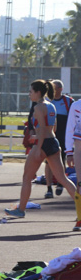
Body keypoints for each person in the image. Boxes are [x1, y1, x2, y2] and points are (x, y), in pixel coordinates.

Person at [5, 80, 80, 223]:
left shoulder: (38, 107)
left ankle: (20, 210)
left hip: (42, 144)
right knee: (63, 179)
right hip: (53, 142)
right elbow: (53, 129)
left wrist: (38, 148)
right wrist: (40, 136)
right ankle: (80, 210)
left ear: (38, 92)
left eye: (30, 92)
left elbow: (41, 132)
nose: (29, 94)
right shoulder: (52, 106)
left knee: (27, 177)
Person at [44, 80, 73, 198]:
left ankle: (60, 183)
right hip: (50, 135)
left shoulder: (68, 101)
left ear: (60, 89)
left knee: (61, 160)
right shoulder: (46, 101)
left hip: (63, 135)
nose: (52, 90)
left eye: (54, 88)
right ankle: (49, 188)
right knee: (48, 162)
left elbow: (74, 119)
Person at [63, 95, 81, 231]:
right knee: (80, 185)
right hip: (79, 151)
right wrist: (69, 152)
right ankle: (80, 219)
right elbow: (70, 129)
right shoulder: (77, 106)